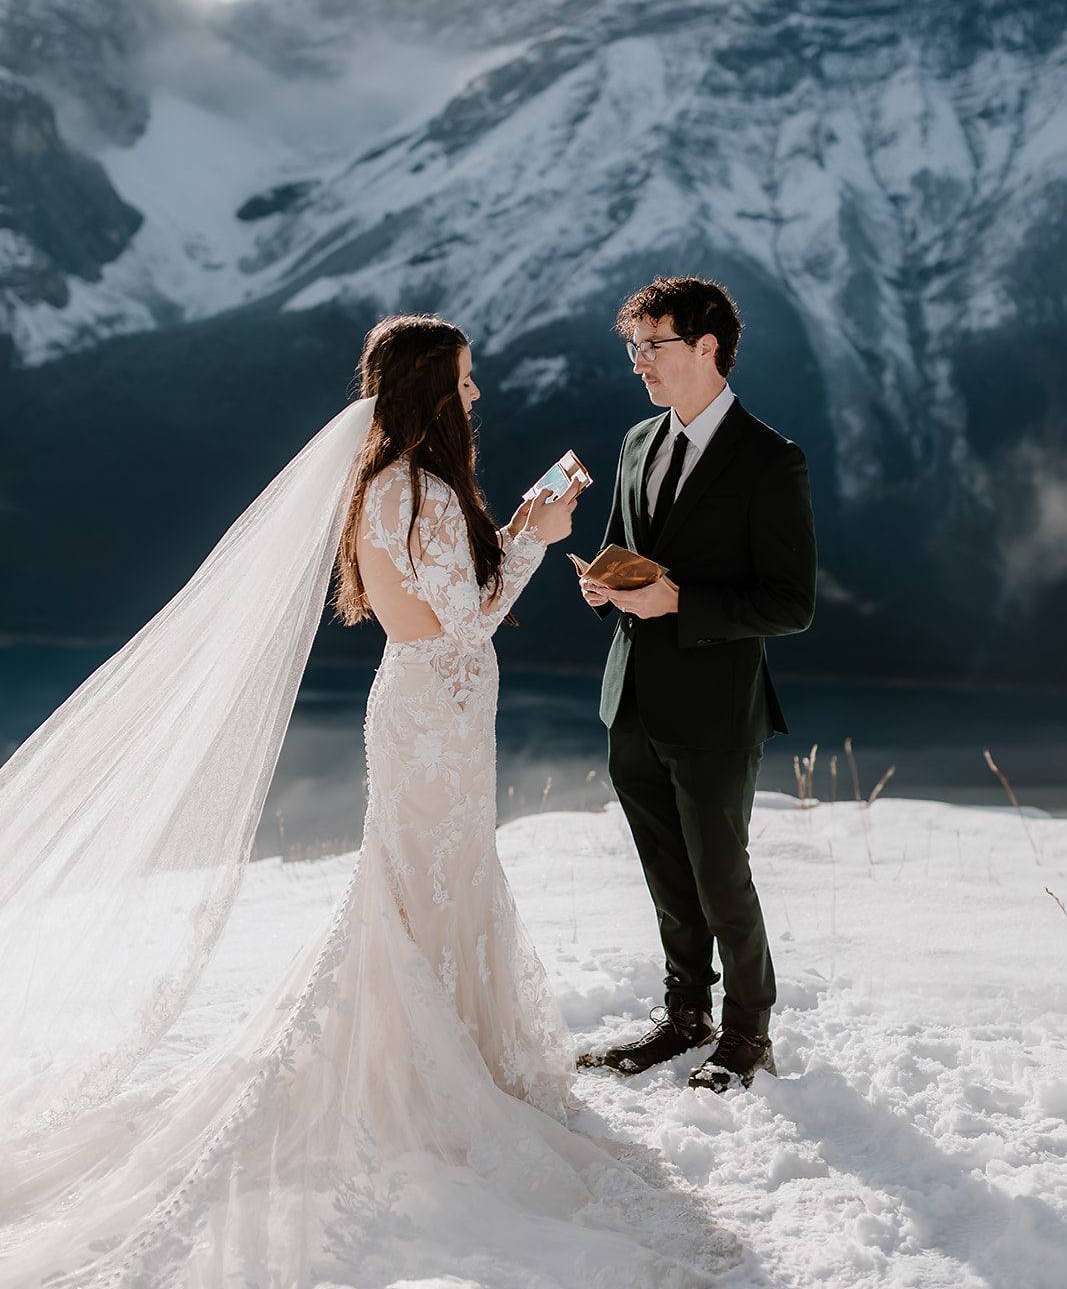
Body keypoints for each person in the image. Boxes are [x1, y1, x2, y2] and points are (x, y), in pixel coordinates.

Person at [0, 313, 732, 1288]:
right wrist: (538, 538)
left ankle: (444, 1054)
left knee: (435, 882)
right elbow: (461, 625)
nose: (476, 396)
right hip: (431, 716)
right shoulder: (412, 488)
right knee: (417, 886)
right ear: (432, 389)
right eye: (465, 382)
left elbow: (450, 613)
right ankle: (426, 1077)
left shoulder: (406, 488)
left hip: (437, 713)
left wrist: (512, 530)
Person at [579, 276, 817, 1093]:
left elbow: (792, 605)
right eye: (633, 347)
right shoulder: (635, 442)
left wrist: (682, 601)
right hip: (631, 696)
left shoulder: (770, 459)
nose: (639, 362)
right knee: (666, 874)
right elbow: (621, 542)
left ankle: (749, 1032)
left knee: (721, 875)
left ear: (706, 346)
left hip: (717, 708)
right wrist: (603, 583)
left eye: (654, 346)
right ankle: (686, 1015)